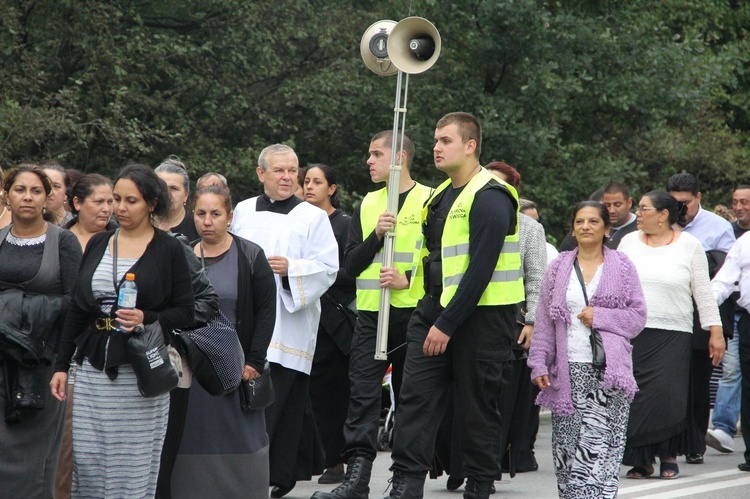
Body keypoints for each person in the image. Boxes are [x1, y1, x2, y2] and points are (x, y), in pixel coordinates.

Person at [382, 112, 522, 499]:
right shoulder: (439, 196)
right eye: (435, 140)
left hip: (483, 318)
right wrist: (430, 314)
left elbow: (480, 270)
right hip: (434, 311)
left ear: (470, 146)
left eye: (445, 140)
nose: (436, 147)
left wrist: (446, 323)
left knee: (478, 407)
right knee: (415, 399)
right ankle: (406, 485)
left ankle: (479, 485)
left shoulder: (491, 196)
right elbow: (434, 261)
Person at [50, 164, 195, 498]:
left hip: (140, 373)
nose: (120, 207)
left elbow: (187, 311)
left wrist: (147, 315)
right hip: (92, 371)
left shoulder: (168, 248)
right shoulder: (100, 243)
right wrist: (61, 365)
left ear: (151, 204)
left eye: (131, 200)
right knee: (88, 461)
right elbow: (77, 308)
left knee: (131, 465)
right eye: (117, 199)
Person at [311, 131, 432, 499]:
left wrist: (407, 277)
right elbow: (349, 267)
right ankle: (357, 479)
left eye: (376, 154)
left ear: (399, 158)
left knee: (410, 399)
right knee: (362, 396)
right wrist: (377, 236)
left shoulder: (430, 198)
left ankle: (406, 482)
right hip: (369, 314)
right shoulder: (368, 202)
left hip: (412, 314)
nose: (368, 161)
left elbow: (442, 261)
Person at [229, 144, 338, 498]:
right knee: (243, 401)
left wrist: (293, 269)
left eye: (293, 171)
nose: (288, 177)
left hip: (287, 324)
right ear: (261, 174)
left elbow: (328, 268)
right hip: (244, 322)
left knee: (280, 404)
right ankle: (244, 472)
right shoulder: (243, 211)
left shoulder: (313, 217)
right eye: (279, 170)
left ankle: (277, 474)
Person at [528, 201, 647, 498]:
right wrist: (539, 364)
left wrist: (601, 316)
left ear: (607, 229)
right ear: (572, 227)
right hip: (567, 370)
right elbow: (544, 319)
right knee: (567, 449)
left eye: (593, 221)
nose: (585, 227)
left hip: (609, 373)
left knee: (599, 449)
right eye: (580, 221)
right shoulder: (558, 266)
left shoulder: (622, 265)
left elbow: (637, 317)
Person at [169, 185, 276, 499]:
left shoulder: (250, 255)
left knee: (239, 435)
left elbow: (266, 311)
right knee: (189, 434)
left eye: (216, 214)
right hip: (192, 368)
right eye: (201, 214)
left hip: (236, 368)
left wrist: (254, 360)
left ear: (229, 217)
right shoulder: (182, 254)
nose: (207, 221)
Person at [618, 190, 725, 480]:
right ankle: (641, 460)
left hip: (674, 333)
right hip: (634, 332)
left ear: (663, 215)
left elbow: (703, 293)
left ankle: (668, 455)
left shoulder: (690, 245)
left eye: (644, 209)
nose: (638, 214)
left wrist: (715, 331)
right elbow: (615, 285)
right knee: (637, 397)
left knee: (667, 397)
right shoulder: (628, 242)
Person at [0, 165, 82, 499]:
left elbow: (76, 303)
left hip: (43, 364)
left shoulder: (63, 241)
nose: (28, 198)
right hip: (1, 361)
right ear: (7, 194)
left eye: (36, 191)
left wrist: (21, 306)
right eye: (20, 190)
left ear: (48, 198)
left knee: (36, 460)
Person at [55, 173, 117, 499]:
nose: (107, 209)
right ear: (77, 204)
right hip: (60, 353)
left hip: (105, 355)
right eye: (99, 201)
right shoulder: (58, 241)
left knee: (101, 446)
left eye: (112, 202)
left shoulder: (122, 242)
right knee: (66, 444)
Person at [666, 173, 735, 465]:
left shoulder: (718, 228)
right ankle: (665, 440)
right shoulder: (660, 223)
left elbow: (727, 274)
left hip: (701, 315)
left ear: (699, 198)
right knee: (667, 382)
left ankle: (694, 443)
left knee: (697, 381)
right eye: (675, 203)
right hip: (669, 310)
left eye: (686, 203)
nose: (681, 209)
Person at [304, 164, 357, 485]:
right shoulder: (298, 222)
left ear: (332, 188)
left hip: (335, 324)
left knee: (335, 394)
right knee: (310, 395)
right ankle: (317, 458)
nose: (310, 186)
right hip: (302, 319)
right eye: (306, 181)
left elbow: (349, 270)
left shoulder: (345, 224)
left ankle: (338, 461)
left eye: (317, 181)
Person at [707, 185, 750, 454]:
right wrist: (706, 303)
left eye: (744, 201)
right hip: (744, 319)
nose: (738, 206)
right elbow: (723, 281)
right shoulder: (744, 242)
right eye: (735, 201)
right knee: (742, 380)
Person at [155, 156, 200, 242]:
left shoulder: (198, 226)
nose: (167, 193)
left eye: (174, 188)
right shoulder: (140, 223)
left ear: (186, 195)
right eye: (161, 187)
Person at [519, 198, 558, 264]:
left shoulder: (549, 250)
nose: (536, 226)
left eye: (536, 221)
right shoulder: (508, 250)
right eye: (530, 222)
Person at [601, 182, 638, 248]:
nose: (611, 210)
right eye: (607, 205)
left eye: (617, 205)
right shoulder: (598, 227)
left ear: (629, 203)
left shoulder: (641, 228)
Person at [42, 160, 74, 227]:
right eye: (45, 185)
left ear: (66, 194)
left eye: (56, 186)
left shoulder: (74, 226)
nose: (50, 192)